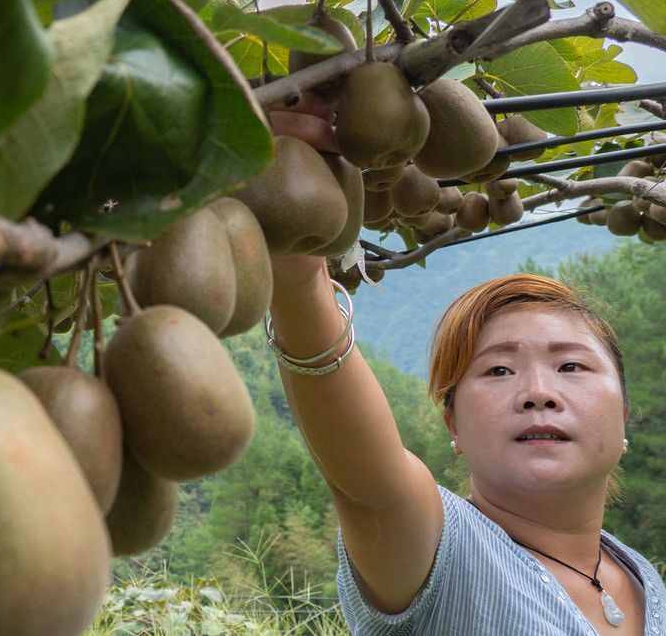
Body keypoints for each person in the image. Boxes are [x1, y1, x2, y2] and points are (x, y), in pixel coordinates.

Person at [267, 103, 666, 635]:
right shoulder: (438, 551)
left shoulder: (646, 583)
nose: (537, 393)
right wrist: (297, 280)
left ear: (624, 417)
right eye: (498, 371)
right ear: (452, 423)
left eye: (571, 365)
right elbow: (367, 482)